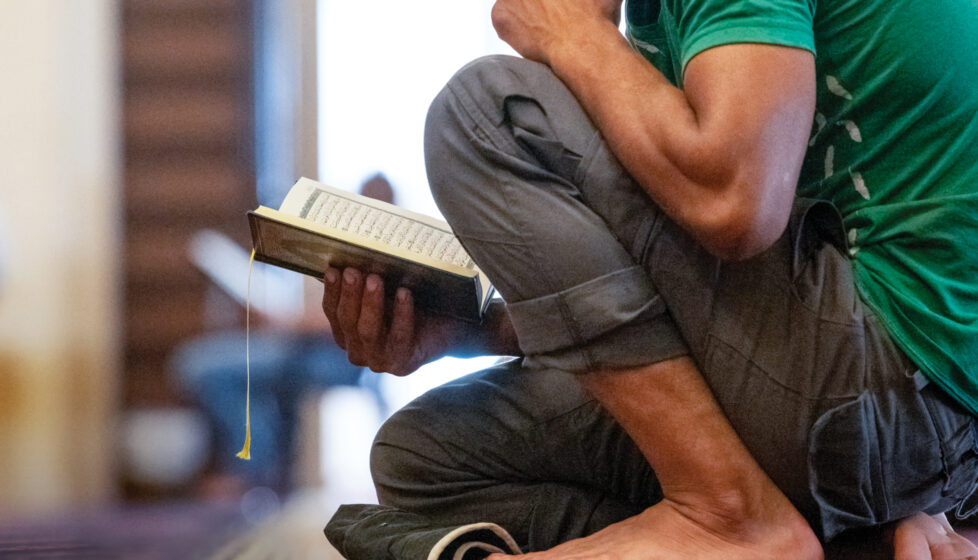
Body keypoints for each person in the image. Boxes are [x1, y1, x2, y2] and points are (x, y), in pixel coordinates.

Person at [320, 1, 978, 558]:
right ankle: (835, 535)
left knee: (484, 112)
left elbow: (735, 202)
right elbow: (682, 278)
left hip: (897, 382)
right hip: (899, 409)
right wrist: (479, 330)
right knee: (428, 456)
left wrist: (572, 32)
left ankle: (728, 513)